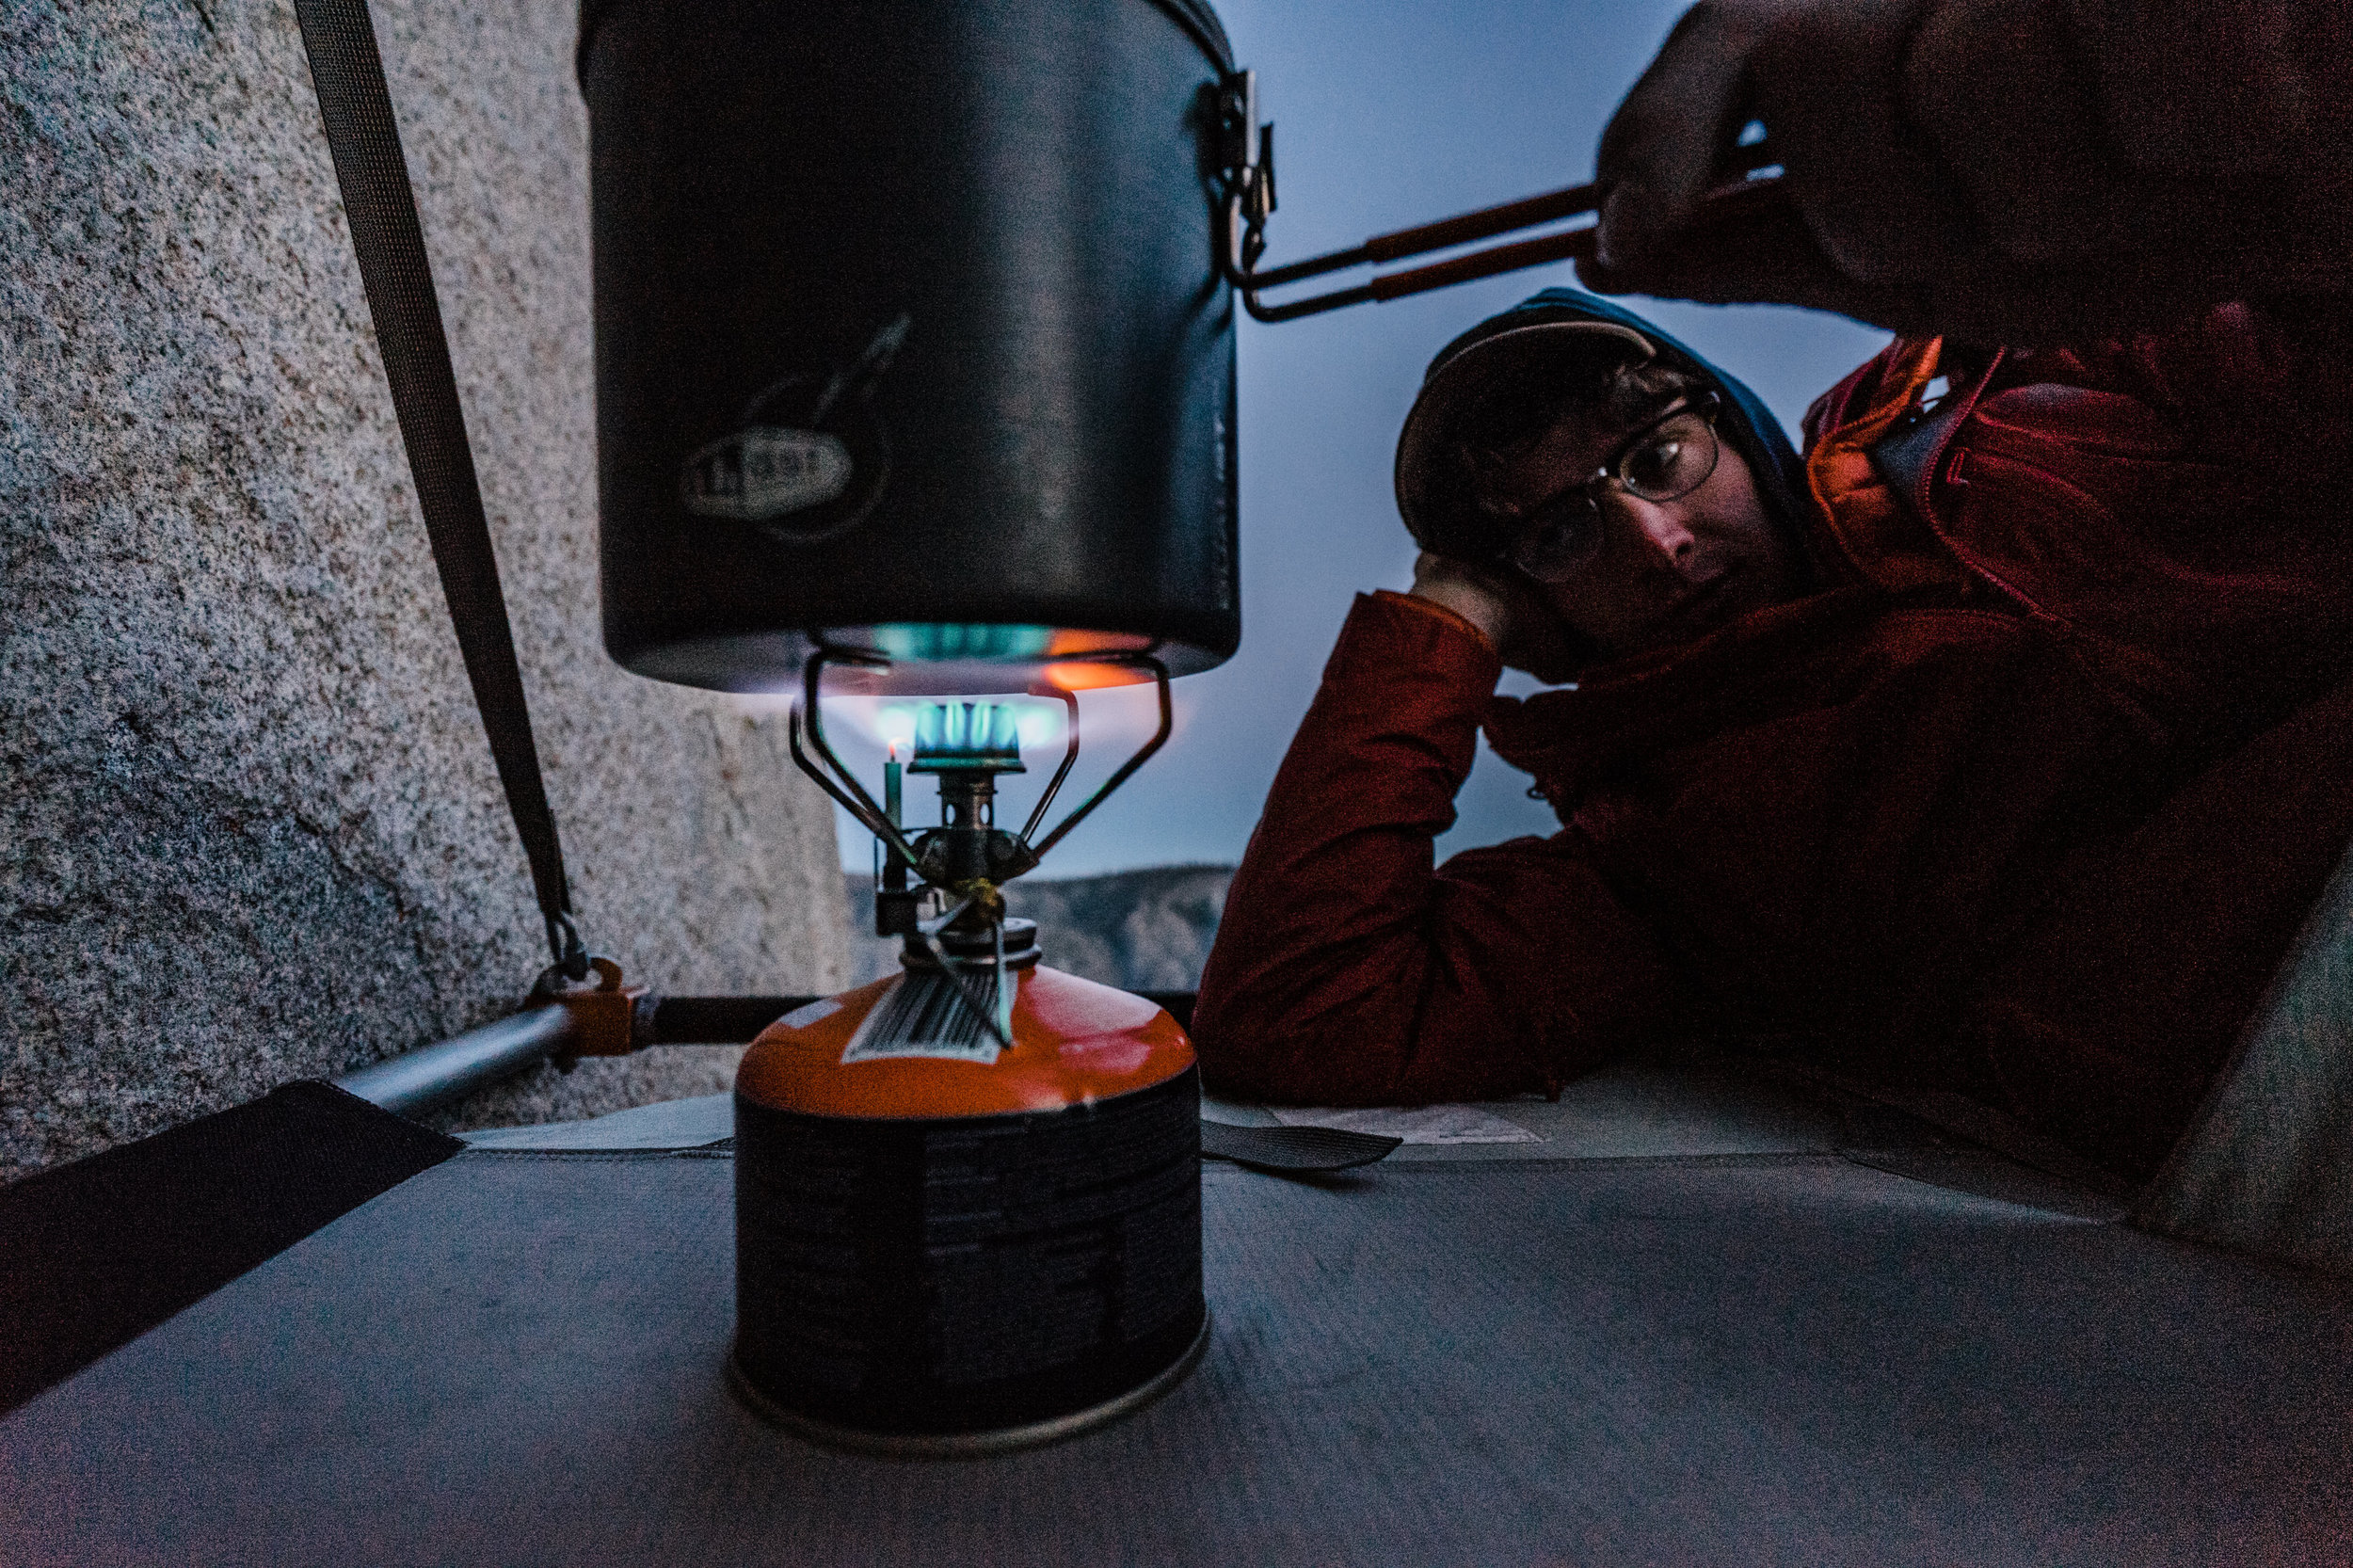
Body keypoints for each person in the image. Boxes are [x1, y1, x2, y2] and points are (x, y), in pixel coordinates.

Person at [1191, 281, 2353, 1178]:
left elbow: (2279, 352)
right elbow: (1304, 1008)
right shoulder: (1644, 869)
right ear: (1542, 617)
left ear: (1737, 430)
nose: (1656, 542)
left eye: (1658, 459)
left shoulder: (1973, 423)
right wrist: (1448, 611)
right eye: (1560, 538)